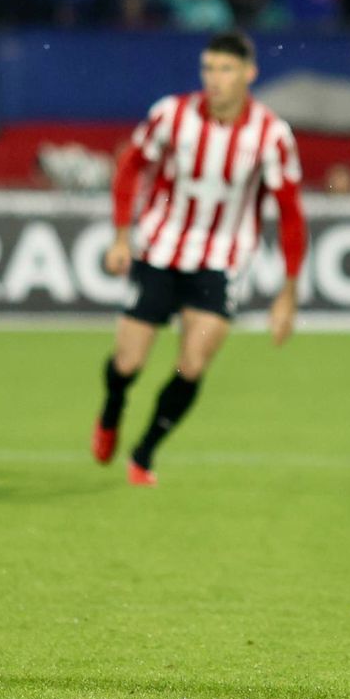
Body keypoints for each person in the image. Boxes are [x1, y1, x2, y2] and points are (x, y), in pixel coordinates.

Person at [92, 31, 308, 485]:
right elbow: (130, 166)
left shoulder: (271, 135)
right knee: (127, 364)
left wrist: (288, 293)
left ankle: (145, 451)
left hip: (221, 262)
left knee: (191, 365)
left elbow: (290, 213)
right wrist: (120, 235)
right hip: (159, 249)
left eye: (225, 69)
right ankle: (112, 409)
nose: (214, 79)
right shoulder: (171, 115)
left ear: (249, 74)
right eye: (209, 68)